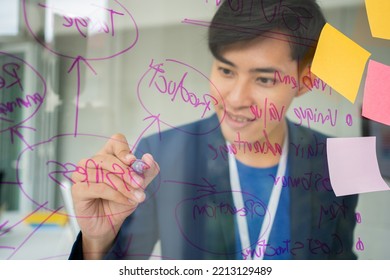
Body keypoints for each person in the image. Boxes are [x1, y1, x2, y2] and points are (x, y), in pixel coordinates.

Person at [69, 0, 358, 260]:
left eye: (264, 80)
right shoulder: (160, 156)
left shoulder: (337, 163)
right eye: (226, 71)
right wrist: (96, 240)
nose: (235, 99)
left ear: (304, 82)